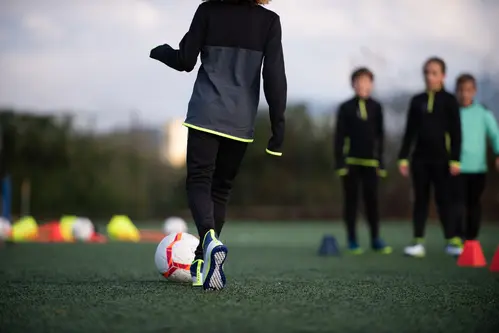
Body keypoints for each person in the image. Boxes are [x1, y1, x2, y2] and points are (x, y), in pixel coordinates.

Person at [149, 0, 286, 290]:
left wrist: (160, 52)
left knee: (199, 181)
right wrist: (278, 127)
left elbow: (185, 61)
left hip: (205, 114)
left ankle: (209, 239)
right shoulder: (270, 21)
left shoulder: (208, 10)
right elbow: (274, 77)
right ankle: (200, 264)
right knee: (220, 190)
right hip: (241, 123)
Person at [398, 57, 462, 258]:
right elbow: (409, 132)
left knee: (444, 200)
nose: (429, 76)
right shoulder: (417, 101)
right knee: (420, 200)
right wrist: (403, 158)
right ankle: (417, 242)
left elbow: (456, 132)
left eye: (434, 73)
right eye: (426, 72)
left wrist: (455, 159)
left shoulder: (449, 101)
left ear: (443, 76)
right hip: (420, 160)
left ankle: (451, 241)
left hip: (443, 160)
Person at [334, 67, 392, 255]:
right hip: (351, 163)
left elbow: (380, 136)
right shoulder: (345, 108)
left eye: (366, 81)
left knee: (372, 202)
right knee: (351, 202)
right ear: (353, 84)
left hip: (371, 164)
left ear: (372, 84)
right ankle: (352, 240)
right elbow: (339, 137)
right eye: (358, 81)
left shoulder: (377, 107)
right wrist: (340, 163)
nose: (362, 85)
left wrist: (381, 162)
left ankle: (375, 239)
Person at [452, 73, 499, 241]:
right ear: (456, 91)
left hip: (478, 168)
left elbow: (495, 134)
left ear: (475, 91)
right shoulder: (452, 112)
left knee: (473, 204)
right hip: (456, 166)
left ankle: (471, 239)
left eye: (468, 90)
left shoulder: (483, 112)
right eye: (461, 90)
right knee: (456, 204)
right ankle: (456, 238)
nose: (465, 94)